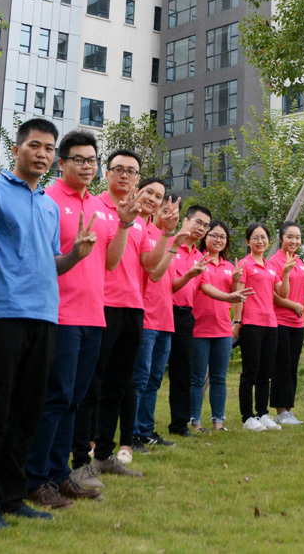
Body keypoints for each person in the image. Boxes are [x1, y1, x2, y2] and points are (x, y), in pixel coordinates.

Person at [0, 119, 97, 530]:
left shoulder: (49, 206)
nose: (41, 153)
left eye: (48, 148)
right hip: (3, 316)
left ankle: (12, 494)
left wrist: (76, 254)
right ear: (17, 149)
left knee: (27, 413)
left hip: (45, 318)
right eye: (34, 145)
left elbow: (49, 264)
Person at [25, 131, 130, 509]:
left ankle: (59, 474)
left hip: (93, 316)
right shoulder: (49, 200)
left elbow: (110, 262)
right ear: (61, 162)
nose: (87, 166)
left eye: (92, 160)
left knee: (76, 400)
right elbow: (40, 262)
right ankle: (35, 479)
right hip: (60, 316)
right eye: (79, 159)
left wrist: (123, 225)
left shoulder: (99, 207)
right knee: (55, 398)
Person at [71, 149, 175, 480]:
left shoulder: (141, 221)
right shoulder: (94, 207)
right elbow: (103, 261)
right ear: (107, 173)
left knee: (117, 384)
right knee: (92, 386)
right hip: (100, 305)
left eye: (132, 171)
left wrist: (169, 234)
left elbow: (151, 267)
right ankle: (79, 460)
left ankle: (104, 455)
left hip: (134, 308)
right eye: (119, 169)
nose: (126, 175)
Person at [132, 179, 201, 452]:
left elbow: (168, 283)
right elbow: (152, 272)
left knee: (154, 379)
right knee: (140, 377)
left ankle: (145, 430)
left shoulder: (170, 240)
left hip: (166, 319)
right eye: (163, 210)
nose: (167, 216)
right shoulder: (142, 232)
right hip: (146, 318)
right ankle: (133, 433)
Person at [190, 220, 253, 430]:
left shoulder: (229, 267)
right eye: (214, 235)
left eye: (222, 237)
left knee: (219, 377)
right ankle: (195, 422)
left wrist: (235, 280)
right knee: (198, 378)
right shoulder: (197, 261)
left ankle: (218, 422)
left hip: (223, 329)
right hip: (198, 327)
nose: (218, 240)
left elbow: (234, 295)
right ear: (204, 238)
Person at [232, 222, 293, 431]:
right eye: (255, 238)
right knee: (250, 371)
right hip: (251, 324)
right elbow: (239, 297)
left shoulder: (269, 266)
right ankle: (248, 416)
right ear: (248, 242)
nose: (260, 241)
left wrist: (285, 274)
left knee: (266, 372)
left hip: (270, 325)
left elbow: (283, 294)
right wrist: (237, 322)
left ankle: (263, 413)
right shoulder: (244, 264)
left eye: (263, 237)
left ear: (269, 241)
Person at [268, 221, 304, 425]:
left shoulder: (299, 262)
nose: (294, 241)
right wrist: (293, 306)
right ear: (281, 238)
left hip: (297, 323)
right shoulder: (274, 263)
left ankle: (289, 410)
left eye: (298, 237)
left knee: (292, 366)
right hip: (280, 321)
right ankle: (280, 411)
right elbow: (273, 296)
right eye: (290, 237)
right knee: (281, 366)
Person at [167, 204, 213, 437]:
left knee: (183, 372)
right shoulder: (169, 244)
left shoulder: (199, 256)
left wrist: (230, 297)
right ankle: (136, 427)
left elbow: (205, 287)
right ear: (185, 221)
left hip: (186, 316)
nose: (202, 228)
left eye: (206, 226)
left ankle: (179, 424)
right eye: (198, 222)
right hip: (163, 312)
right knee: (148, 373)